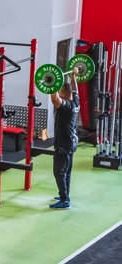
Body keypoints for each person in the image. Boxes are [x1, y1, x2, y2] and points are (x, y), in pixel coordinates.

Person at [49, 68, 80, 210]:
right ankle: (65, 194)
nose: (58, 93)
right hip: (71, 142)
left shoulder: (66, 106)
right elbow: (75, 89)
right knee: (66, 171)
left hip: (64, 143)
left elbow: (54, 99)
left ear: (63, 94)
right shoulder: (75, 102)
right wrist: (73, 76)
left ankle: (64, 200)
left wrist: (52, 84)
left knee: (59, 172)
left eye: (60, 91)